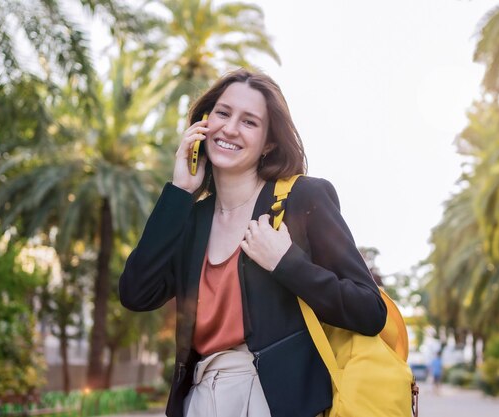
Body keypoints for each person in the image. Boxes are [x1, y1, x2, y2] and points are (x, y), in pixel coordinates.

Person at [119, 68, 387, 417]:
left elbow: (370, 311)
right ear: (204, 122)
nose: (230, 129)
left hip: (272, 400)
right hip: (199, 399)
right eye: (223, 113)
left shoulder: (303, 199)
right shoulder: (192, 218)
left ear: (269, 142)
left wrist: (286, 263)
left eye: (249, 122)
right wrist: (179, 192)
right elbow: (136, 293)